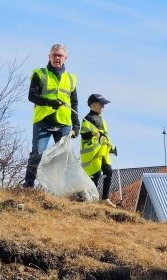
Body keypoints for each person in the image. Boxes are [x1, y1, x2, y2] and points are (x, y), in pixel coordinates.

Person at [22, 44, 80, 188]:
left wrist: (76, 125)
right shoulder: (39, 73)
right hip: (43, 121)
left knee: (64, 158)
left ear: (65, 58)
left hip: (64, 123)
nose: (57, 58)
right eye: (54, 55)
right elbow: (32, 96)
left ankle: (64, 190)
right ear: (49, 56)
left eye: (60, 55)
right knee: (38, 153)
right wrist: (49, 102)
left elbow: (74, 104)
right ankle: (28, 185)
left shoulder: (71, 79)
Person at [80, 94, 117, 207]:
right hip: (92, 153)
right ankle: (90, 199)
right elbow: (84, 136)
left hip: (103, 151)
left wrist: (111, 147)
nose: (103, 107)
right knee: (95, 175)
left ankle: (104, 198)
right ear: (93, 105)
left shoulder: (101, 119)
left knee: (108, 171)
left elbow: (105, 136)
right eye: (101, 105)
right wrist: (93, 133)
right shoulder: (88, 118)